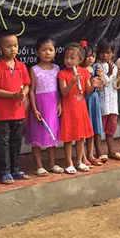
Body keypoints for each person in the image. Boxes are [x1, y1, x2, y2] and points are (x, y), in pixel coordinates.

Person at [0, 29, 31, 184]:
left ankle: (16, 169)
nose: (13, 49)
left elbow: (27, 85)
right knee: (3, 144)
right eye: (8, 46)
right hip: (3, 114)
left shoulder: (21, 66)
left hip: (18, 112)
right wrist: (13, 95)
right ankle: (4, 172)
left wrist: (23, 93)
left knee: (16, 142)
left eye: (15, 45)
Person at [58, 42, 96, 174]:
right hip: (69, 110)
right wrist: (73, 82)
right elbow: (64, 92)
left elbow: (88, 90)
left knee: (81, 137)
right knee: (68, 138)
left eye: (72, 58)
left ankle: (79, 161)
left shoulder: (84, 72)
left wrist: (95, 84)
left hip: (81, 109)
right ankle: (69, 163)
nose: (68, 61)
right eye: (66, 58)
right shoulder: (62, 74)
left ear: (80, 59)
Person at [26, 36, 62, 176]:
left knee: (51, 135)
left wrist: (60, 103)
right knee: (37, 135)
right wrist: (35, 109)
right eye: (44, 50)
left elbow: (59, 89)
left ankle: (52, 164)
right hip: (40, 106)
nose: (47, 52)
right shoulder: (34, 70)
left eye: (50, 50)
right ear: (37, 52)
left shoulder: (57, 68)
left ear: (55, 52)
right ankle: (39, 165)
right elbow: (32, 91)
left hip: (53, 106)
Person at [95, 40, 120, 161]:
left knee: (111, 129)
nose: (105, 55)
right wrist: (109, 73)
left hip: (112, 103)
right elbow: (103, 82)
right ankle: (99, 152)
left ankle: (111, 151)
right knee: (98, 129)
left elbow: (118, 85)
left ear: (113, 53)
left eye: (108, 52)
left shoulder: (115, 66)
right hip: (101, 103)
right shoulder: (97, 66)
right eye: (102, 52)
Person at [82, 42, 105, 166]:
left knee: (93, 129)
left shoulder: (95, 69)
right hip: (85, 100)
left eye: (93, 56)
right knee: (84, 129)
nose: (90, 58)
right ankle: (83, 156)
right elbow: (86, 88)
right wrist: (93, 82)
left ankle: (91, 154)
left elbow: (100, 85)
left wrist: (100, 79)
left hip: (94, 99)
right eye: (88, 56)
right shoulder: (81, 70)